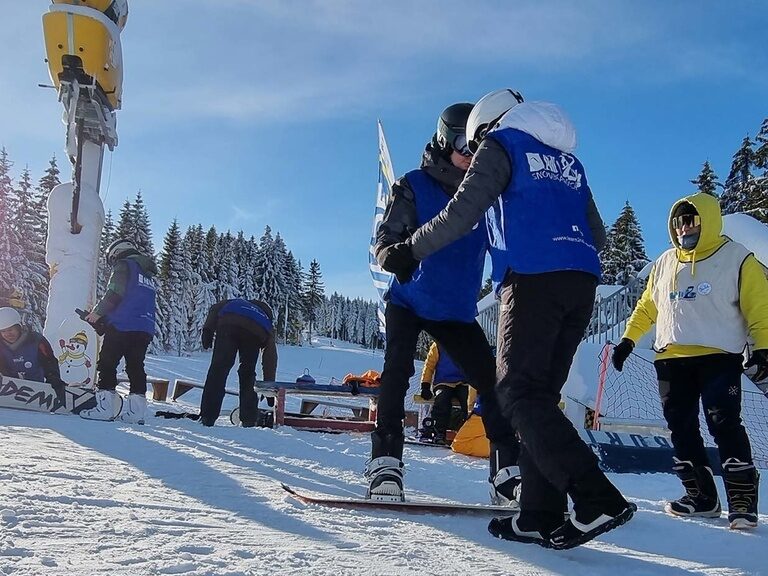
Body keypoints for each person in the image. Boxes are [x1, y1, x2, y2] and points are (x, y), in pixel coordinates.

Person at [383, 89, 634, 549]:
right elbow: (596, 232)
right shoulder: (567, 161)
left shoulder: (502, 145)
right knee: (539, 396)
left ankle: (596, 497)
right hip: (580, 286)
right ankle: (539, 513)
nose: (473, 154)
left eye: (475, 144)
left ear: (487, 127)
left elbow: (460, 213)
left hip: (533, 280)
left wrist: (409, 250)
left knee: (517, 394)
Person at [369, 102, 521, 505]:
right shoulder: (415, 184)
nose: (471, 156)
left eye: (479, 147)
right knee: (397, 369)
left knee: (491, 382)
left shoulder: (488, 197)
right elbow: (389, 235)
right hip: (410, 300)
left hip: (456, 311)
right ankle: (386, 462)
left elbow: (507, 246)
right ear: (442, 139)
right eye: (463, 145)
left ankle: (506, 471)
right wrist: (390, 253)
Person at [612, 193, 767, 530]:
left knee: (723, 422)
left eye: (692, 220)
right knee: (680, 427)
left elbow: (760, 308)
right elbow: (647, 306)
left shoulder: (738, 259)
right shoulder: (666, 262)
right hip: (670, 359)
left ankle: (741, 501)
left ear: (708, 221)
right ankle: (701, 498)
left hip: (718, 357)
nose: (685, 228)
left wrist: (763, 347)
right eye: (679, 222)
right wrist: (628, 339)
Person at [80, 238, 157, 424]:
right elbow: (134, 300)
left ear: (116, 253)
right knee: (135, 367)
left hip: (123, 325)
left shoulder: (124, 265)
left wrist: (97, 314)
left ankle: (105, 409)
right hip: (145, 327)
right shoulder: (147, 274)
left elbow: (114, 292)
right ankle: (136, 414)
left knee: (107, 365)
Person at [199, 298, 278, 427]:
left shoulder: (236, 302)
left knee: (218, 369)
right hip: (255, 332)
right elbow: (270, 358)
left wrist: (208, 329)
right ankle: (249, 419)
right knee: (247, 373)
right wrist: (269, 389)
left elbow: (215, 308)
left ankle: (207, 417)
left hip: (229, 323)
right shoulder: (265, 321)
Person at [0, 306, 65, 389]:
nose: (8, 334)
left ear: (19, 327)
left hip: (36, 389)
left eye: (10, 330)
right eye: (3, 331)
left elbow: (49, 361)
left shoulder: (36, 340)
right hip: (10, 392)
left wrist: (53, 377)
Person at [418, 341, 470, 444]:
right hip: (443, 382)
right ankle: (439, 432)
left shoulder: (467, 344)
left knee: (469, 401)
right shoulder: (438, 345)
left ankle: (467, 433)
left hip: (463, 383)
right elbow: (429, 365)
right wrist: (425, 385)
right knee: (442, 399)